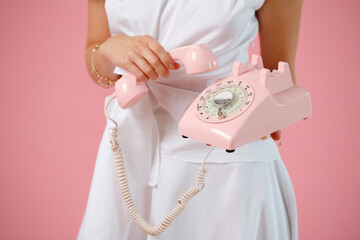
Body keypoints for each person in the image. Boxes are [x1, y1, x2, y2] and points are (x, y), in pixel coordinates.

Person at [77, 0, 303, 239]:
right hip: (129, 151)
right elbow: (98, 64)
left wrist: (271, 113)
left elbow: (280, 75)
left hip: (226, 159)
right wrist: (109, 48)